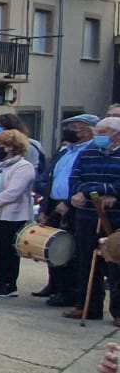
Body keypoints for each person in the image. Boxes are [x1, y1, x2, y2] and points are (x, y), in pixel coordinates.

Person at [65, 117, 120, 322]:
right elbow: (75, 178)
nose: (98, 137)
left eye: (103, 133)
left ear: (117, 134)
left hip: (114, 217)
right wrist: (81, 193)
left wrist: (98, 191)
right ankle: (88, 305)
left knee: (115, 261)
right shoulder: (87, 153)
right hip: (87, 215)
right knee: (86, 260)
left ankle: (118, 311)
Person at [39, 113, 97, 306]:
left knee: (69, 252)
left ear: (89, 131)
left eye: (75, 127)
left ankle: (69, 291)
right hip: (54, 204)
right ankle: (54, 284)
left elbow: (81, 181)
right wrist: (44, 208)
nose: (69, 131)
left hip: (73, 207)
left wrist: (68, 202)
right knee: (52, 248)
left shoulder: (90, 152)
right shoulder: (65, 151)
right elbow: (50, 178)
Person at [0, 129, 36, 298]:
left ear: (11, 147)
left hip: (11, 215)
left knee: (8, 250)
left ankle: (9, 284)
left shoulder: (24, 167)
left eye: (0, 145)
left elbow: (13, 192)